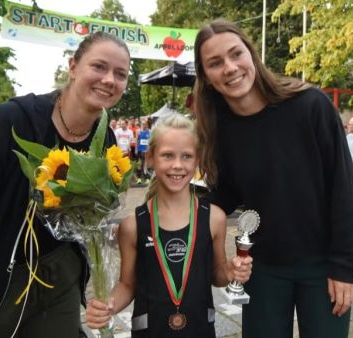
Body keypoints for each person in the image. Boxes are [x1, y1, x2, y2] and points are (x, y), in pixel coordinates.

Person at [0, 31, 130, 338]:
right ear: (73, 67)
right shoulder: (9, 122)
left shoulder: (106, 139)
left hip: (60, 275)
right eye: (99, 66)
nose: (109, 79)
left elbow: (91, 214)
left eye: (120, 74)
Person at [193, 19, 353, 338]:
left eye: (235, 54)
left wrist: (344, 268)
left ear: (252, 55)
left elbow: (344, 190)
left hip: (322, 266)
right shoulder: (219, 128)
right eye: (215, 63)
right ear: (207, 78)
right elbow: (226, 194)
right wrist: (177, 210)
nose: (229, 68)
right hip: (263, 269)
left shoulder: (311, 105)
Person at [85, 114, 252, 337]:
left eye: (186, 156)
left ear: (197, 160)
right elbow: (127, 284)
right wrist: (107, 307)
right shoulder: (133, 225)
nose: (177, 165)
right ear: (151, 157)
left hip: (200, 331)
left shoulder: (214, 218)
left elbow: (216, 275)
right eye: (167, 156)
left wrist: (231, 271)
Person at [135, 119, 151, 184]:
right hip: (139, 150)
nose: (143, 125)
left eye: (145, 124)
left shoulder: (149, 131)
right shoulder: (138, 131)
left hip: (146, 150)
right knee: (139, 164)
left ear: (147, 125)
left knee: (146, 165)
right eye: (142, 124)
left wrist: (148, 149)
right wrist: (136, 149)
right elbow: (137, 140)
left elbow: (150, 142)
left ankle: (147, 178)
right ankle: (139, 179)